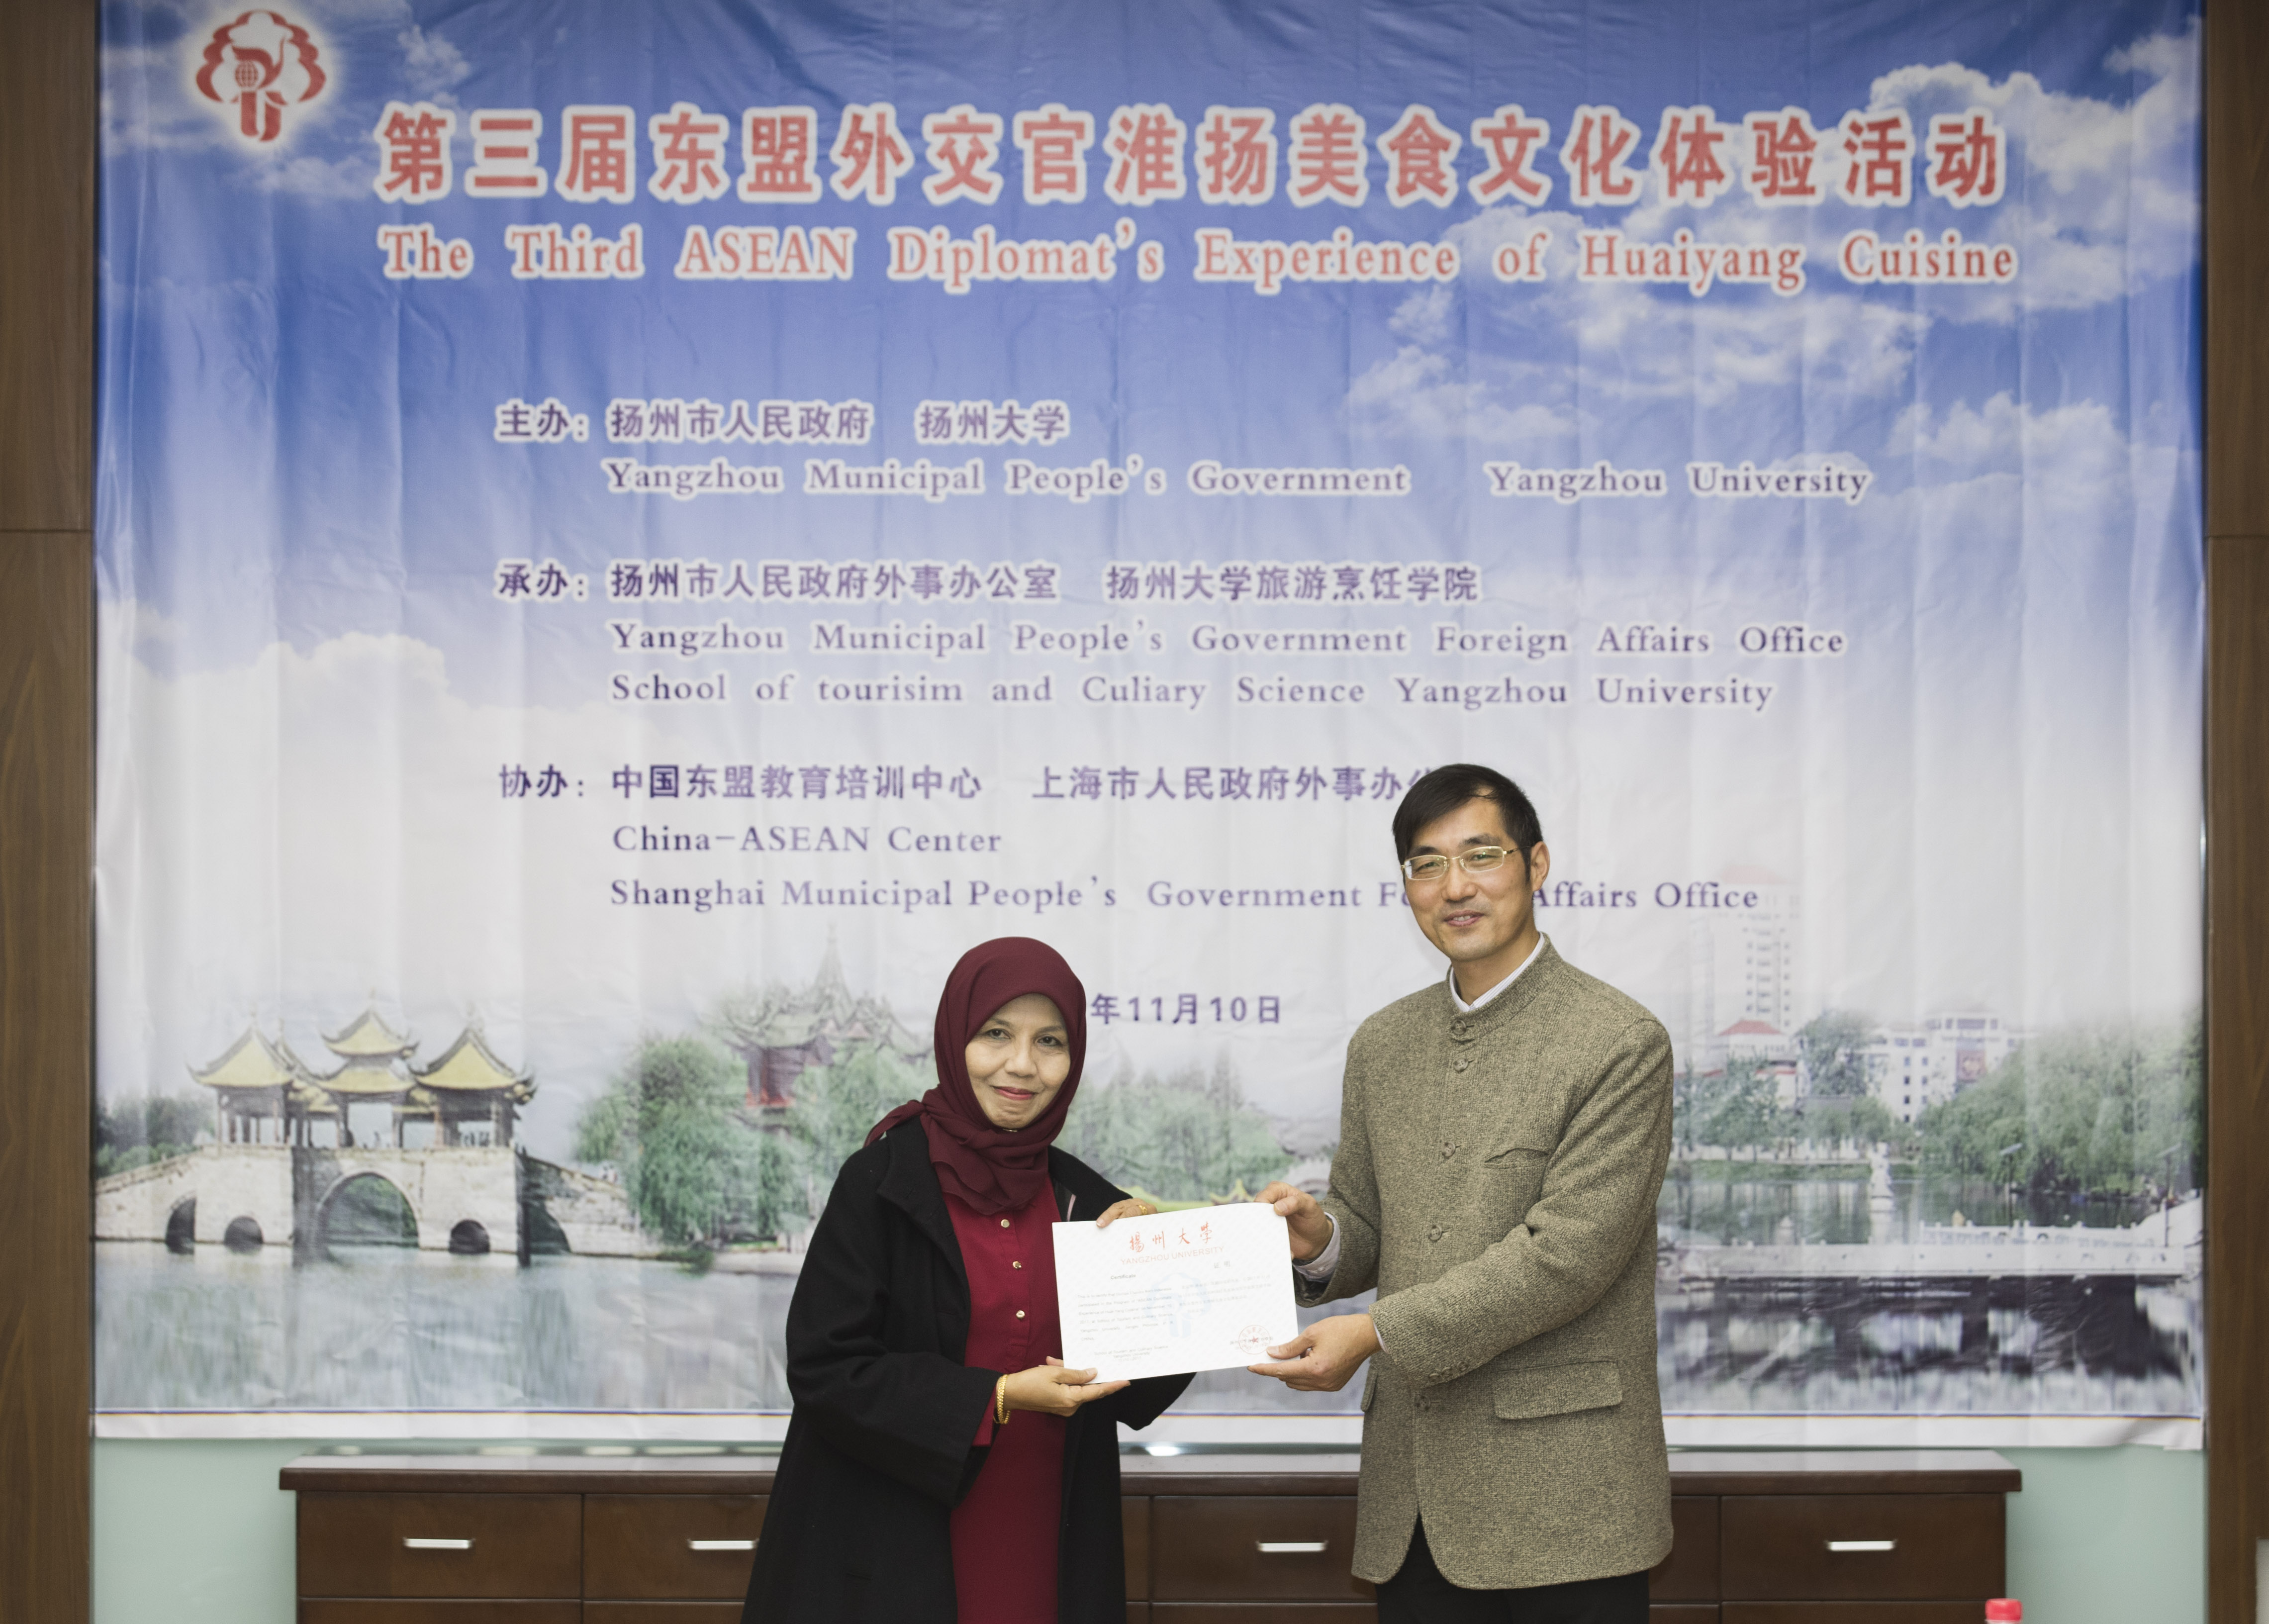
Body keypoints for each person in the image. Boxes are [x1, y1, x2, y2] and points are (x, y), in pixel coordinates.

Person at [1248, 764, 1674, 1623]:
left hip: (1569, 1503)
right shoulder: (1382, 1044)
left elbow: (1566, 1258)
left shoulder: (1620, 1041)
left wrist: (1374, 1331)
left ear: (1536, 864)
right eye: (1426, 863)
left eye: (1481, 855)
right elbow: (1369, 1223)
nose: (1455, 886)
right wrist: (1320, 1238)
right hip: (1412, 1497)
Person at [742, 936, 1191, 1624]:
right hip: (894, 1542)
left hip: (1049, 1527)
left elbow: (1142, 1390)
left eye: (1049, 1041)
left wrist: (1155, 1271)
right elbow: (825, 1368)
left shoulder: (1087, 1200)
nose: (1022, 1064)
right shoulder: (881, 1182)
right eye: (996, 1034)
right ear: (956, 1040)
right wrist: (997, 1396)